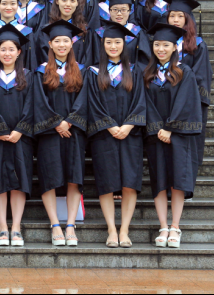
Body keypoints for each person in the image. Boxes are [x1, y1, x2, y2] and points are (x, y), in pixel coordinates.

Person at [84, 21, 146, 248]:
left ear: (124, 44)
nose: (113, 46)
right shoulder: (93, 72)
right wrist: (109, 125)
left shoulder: (135, 71)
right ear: (103, 44)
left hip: (131, 135)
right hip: (103, 135)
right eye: (108, 42)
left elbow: (140, 101)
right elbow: (92, 103)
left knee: (130, 183)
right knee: (107, 183)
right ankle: (111, 229)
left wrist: (128, 125)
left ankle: (124, 230)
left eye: (117, 42)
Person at [143, 23, 202, 249]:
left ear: (174, 47)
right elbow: (144, 103)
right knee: (159, 180)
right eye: (157, 44)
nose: (161, 49)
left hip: (178, 134)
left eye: (165, 45)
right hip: (155, 134)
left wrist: (170, 128)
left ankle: (175, 227)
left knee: (178, 180)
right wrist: (158, 128)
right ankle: (163, 226)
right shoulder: (147, 74)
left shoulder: (184, 72)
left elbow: (186, 101)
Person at [0, 25, 35, 247]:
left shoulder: (28, 76)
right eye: (3, 49)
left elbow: (32, 105)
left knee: (19, 180)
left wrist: (20, 130)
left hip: (21, 137)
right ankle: (3, 227)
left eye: (11, 49)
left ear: (19, 52)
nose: (7, 53)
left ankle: (16, 227)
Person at [34, 20, 88, 247]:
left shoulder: (82, 70)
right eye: (57, 41)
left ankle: (71, 225)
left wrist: (69, 122)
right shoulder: (41, 71)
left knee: (74, 178)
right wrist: (56, 123)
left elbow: (85, 100)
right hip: (49, 133)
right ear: (50, 44)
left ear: (72, 43)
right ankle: (55, 224)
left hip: (74, 132)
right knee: (50, 178)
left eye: (66, 40)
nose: (62, 44)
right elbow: (38, 100)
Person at [165, 0, 212, 174]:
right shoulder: (161, 44)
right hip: (165, 99)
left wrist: (186, 96)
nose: (175, 20)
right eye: (172, 15)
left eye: (180, 16)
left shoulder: (198, 45)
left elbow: (201, 76)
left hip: (189, 102)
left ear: (188, 19)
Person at [94, 0, 152, 66]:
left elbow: (144, 61)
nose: (119, 13)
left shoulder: (138, 33)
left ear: (130, 11)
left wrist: (133, 72)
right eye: (115, 9)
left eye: (123, 10)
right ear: (109, 11)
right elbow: (95, 59)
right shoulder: (99, 34)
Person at [41, 0, 93, 65]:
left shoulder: (84, 31)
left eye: (72, 0)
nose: (68, 4)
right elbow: (43, 57)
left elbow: (87, 58)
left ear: (77, 3)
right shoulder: (46, 31)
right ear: (57, 1)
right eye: (64, 0)